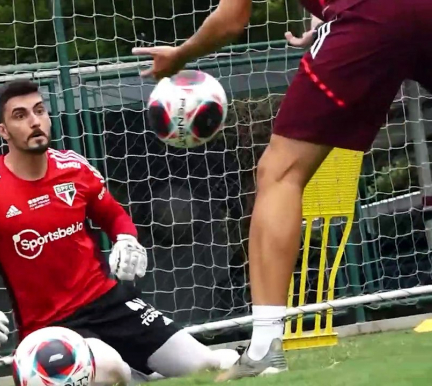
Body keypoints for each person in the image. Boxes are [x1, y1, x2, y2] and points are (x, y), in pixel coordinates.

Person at [132, 0, 432, 381]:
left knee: (279, 173)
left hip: (372, 18)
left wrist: (180, 55)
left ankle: (264, 348)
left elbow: (230, 21)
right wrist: (325, 18)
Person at [0, 79, 240, 385]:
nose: (34, 121)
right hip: (51, 327)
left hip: (109, 303)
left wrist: (126, 238)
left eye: (39, 111)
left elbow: (113, 215)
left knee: (209, 365)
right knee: (115, 371)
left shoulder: (75, 168)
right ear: (3, 131)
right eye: (20, 116)